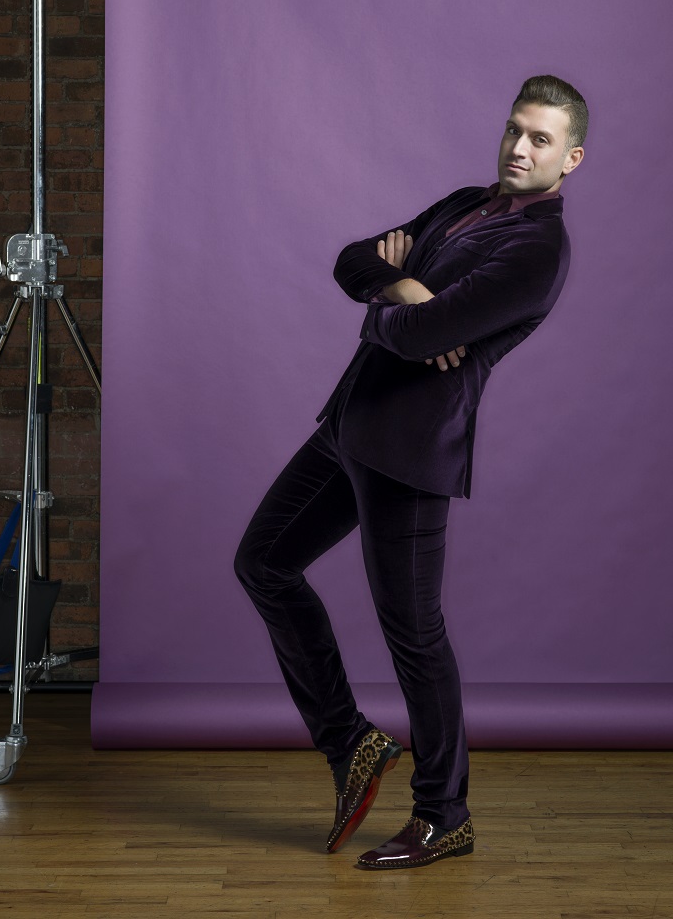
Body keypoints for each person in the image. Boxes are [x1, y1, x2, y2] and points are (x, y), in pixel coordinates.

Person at [234, 74, 586, 869]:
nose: (519, 147)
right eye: (514, 129)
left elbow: (420, 336)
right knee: (262, 563)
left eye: (540, 139)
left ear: (570, 159)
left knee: (413, 635)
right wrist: (398, 285)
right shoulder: (463, 203)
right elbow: (352, 259)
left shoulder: (537, 250)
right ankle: (350, 741)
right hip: (348, 424)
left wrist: (398, 305)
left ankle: (443, 816)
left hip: (410, 451)